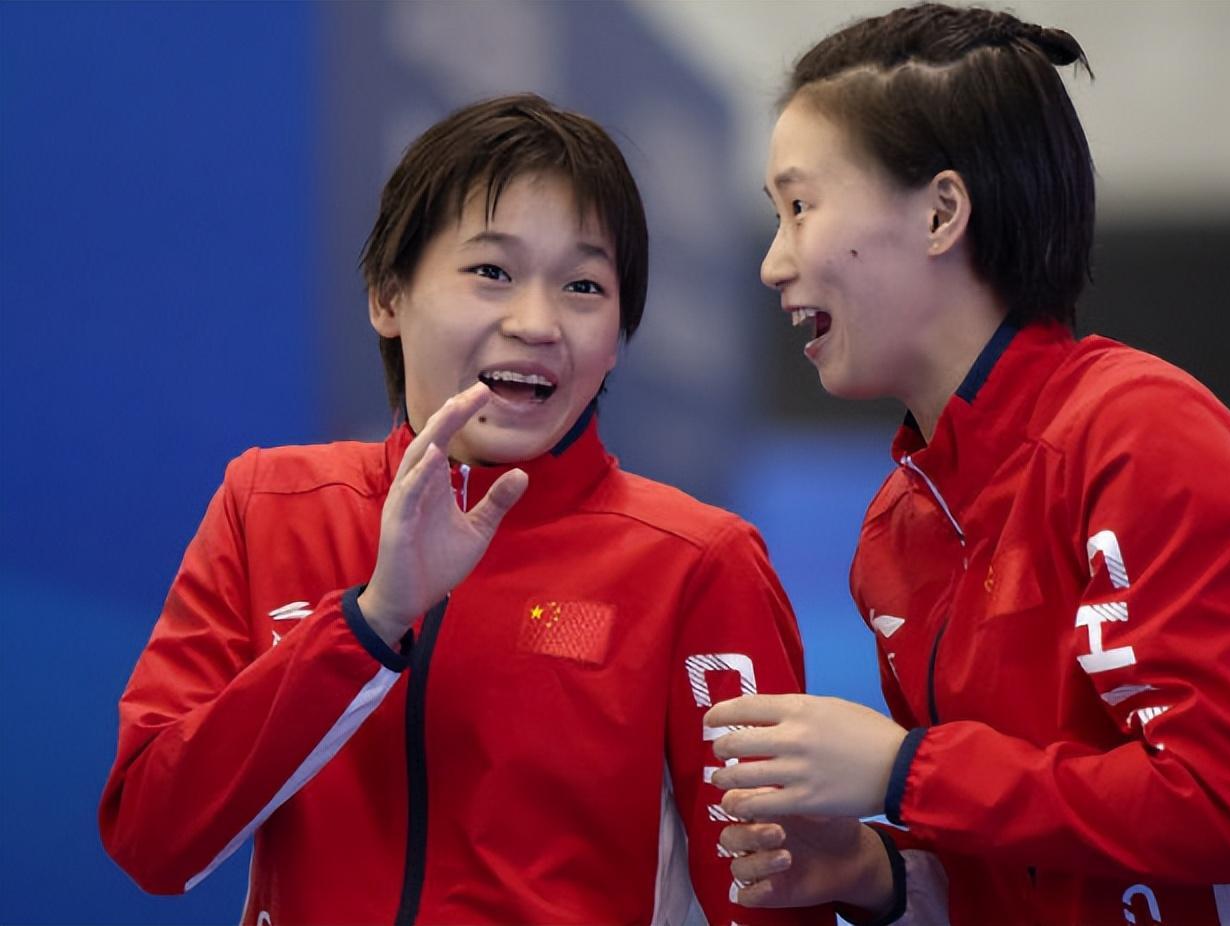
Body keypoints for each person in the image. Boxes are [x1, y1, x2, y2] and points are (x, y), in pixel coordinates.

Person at [703, 5, 1230, 925]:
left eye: (799, 207)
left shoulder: (1143, 436)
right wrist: (872, 869)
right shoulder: (897, 531)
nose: (774, 262)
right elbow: (1005, 861)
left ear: (941, 213)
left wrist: (904, 770)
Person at [99, 94, 830, 926]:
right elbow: (152, 836)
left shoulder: (698, 562)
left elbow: (773, 901)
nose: (537, 323)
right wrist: (372, 622)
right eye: (491, 272)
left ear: (618, 338)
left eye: (584, 286)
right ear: (388, 295)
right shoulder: (271, 504)